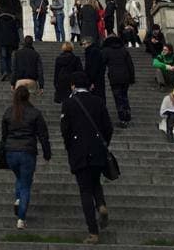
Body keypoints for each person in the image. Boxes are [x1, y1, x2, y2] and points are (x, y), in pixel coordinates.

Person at [60, 71, 113, 245]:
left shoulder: (68, 103)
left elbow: (65, 130)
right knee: (95, 181)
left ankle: (93, 232)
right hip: (97, 149)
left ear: (73, 85)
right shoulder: (98, 101)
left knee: (85, 190)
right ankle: (101, 205)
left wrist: (69, 146)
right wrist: (103, 143)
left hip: (78, 150)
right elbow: (108, 126)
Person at [1, 85, 51, 230]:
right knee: (26, 185)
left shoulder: (9, 112)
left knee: (19, 178)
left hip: (11, 151)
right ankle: (21, 219)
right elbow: (43, 135)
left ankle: (18, 199)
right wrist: (47, 153)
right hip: (27, 152)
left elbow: (4, 135)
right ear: (28, 97)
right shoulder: (35, 113)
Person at [100, 35, 135, 126]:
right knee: (124, 96)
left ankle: (122, 118)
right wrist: (132, 78)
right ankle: (127, 113)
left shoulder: (106, 51)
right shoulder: (124, 50)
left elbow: (102, 64)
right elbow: (130, 65)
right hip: (125, 77)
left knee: (118, 98)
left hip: (114, 77)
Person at [0, 9, 20, 82]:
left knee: (3, 57)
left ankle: (4, 71)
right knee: (9, 57)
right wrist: (17, 44)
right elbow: (16, 32)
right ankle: (9, 72)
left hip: (2, 42)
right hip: (11, 42)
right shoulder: (13, 20)